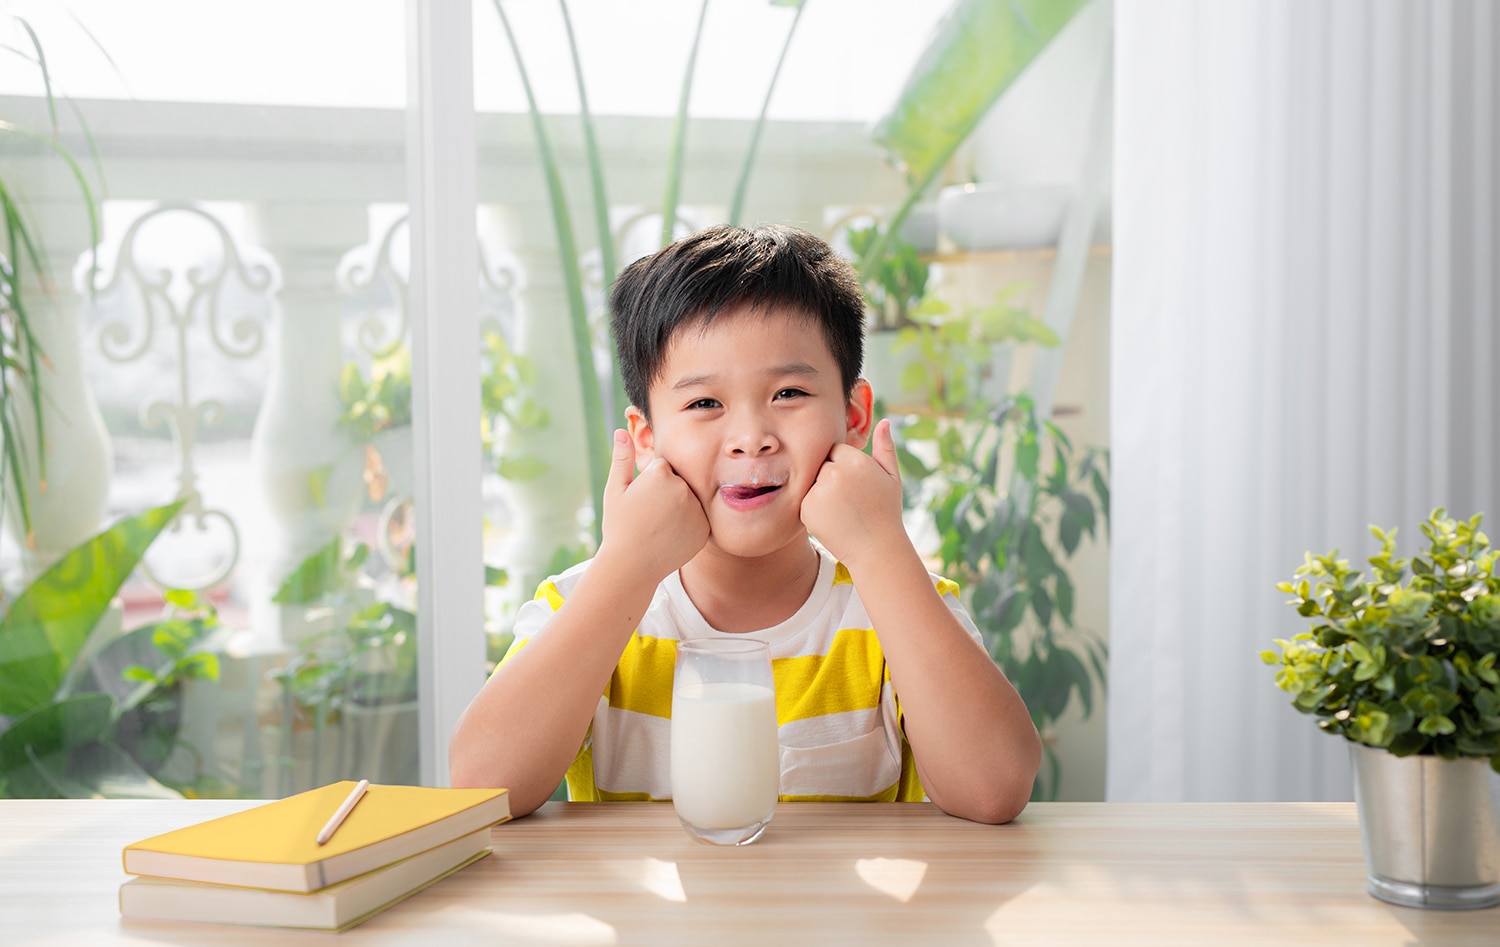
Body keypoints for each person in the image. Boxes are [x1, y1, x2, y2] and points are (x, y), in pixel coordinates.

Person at [450, 224, 1041, 823]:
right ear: (647, 440)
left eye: (788, 393)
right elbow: (480, 786)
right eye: (705, 403)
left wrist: (882, 549)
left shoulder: (899, 601)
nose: (750, 439)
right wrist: (625, 565)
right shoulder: (583, 604)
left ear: (853, 415)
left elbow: (993, 789)